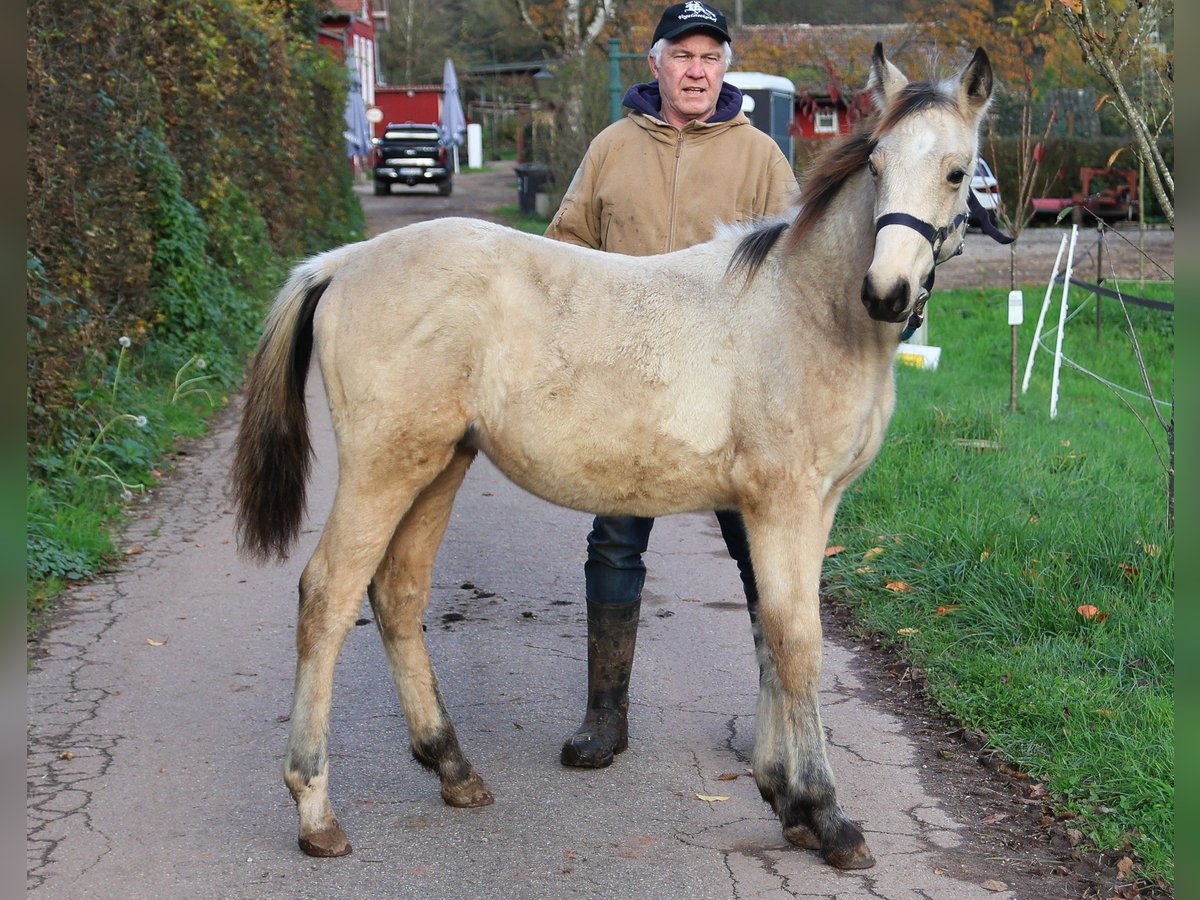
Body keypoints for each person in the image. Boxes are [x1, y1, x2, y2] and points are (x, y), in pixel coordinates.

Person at [544, 0, 799, 769]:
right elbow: (563, 252)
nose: (696, 70)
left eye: (710, 57)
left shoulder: (760, 156)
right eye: (682, 55)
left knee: (759, 548)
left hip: (728, 397)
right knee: (614, 540)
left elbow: (797, 271)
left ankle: (779, 713)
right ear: (654, 62)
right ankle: (605, 714)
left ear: (726, 67)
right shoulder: (611, 147)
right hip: (626, 391)